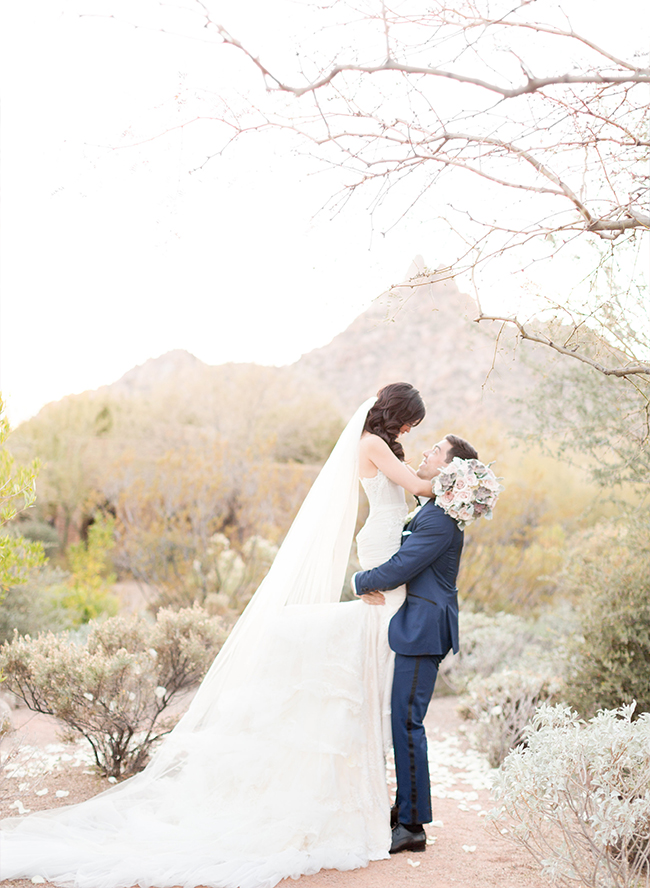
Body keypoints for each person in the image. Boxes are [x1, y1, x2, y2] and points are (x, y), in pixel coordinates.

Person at [0, 383, 435, 888]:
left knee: (371, 673)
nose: (409, 432)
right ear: (398, 414)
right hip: (382, 550)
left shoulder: (381, 444)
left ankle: (388, 805)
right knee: (363, 669)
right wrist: (467, 483)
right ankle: (387, 808)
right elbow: (420, 488)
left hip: (386, 552)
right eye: (410, 422)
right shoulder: (371, 443)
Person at [353, 434, 480, 855]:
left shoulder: (442, 518)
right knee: (402, 721)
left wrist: (359, 581)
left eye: (437, 452)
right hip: (413, 623)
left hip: (424, 627)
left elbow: (405, 565)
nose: (427, 452)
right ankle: (404, 809)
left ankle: (411, 826)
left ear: (450, 468)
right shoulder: (432, 508)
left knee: (407, 722)